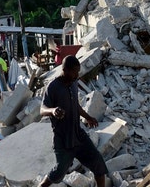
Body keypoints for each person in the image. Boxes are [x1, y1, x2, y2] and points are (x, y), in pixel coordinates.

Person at [39, 55, 108, 187]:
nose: (77, 75)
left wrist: (87, 116)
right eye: (74, 72)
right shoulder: (53, 87)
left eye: (78, 71)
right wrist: (53, 111)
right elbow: (42, 109)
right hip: (63, 139)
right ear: (65, 70)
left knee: (98, 163)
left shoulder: (74, 83)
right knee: (59, 172)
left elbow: (75, 105)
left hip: (78, 134)